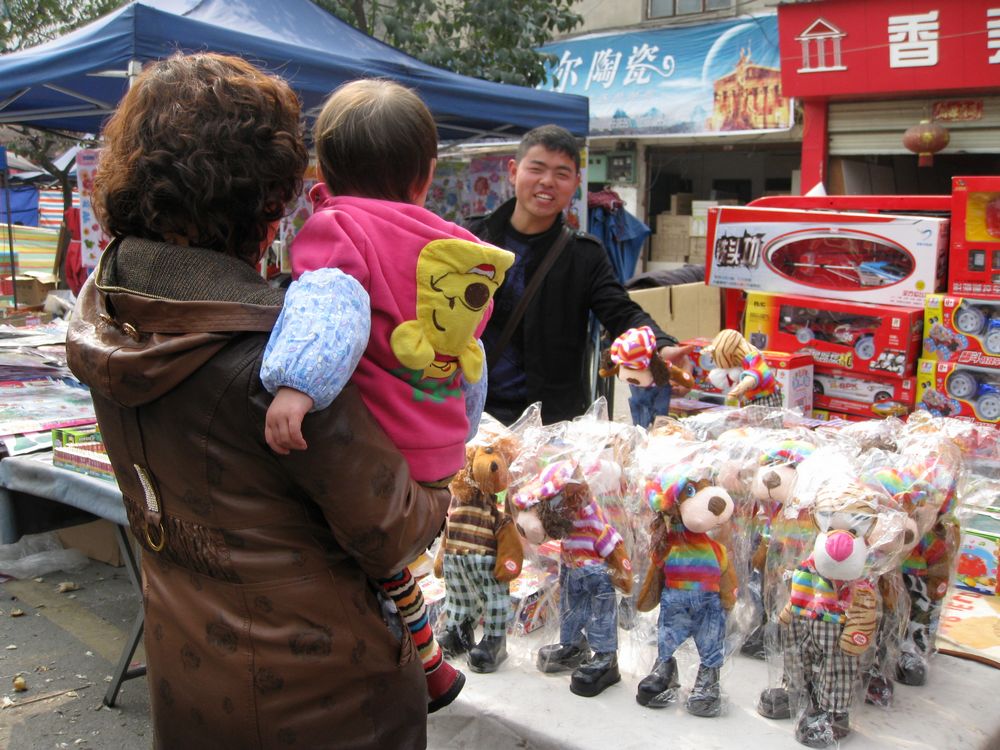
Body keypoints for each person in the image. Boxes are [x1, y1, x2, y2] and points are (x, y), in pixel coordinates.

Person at [66, 53, 450, 750]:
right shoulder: (281, 366)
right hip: (326, 699)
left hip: (189, 670)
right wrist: (443, 472)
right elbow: (395, 528)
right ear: (266, 199)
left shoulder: (108, 309)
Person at [261, 80, 513, 700]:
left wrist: (297, 384)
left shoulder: (339, 226)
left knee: (349, 559)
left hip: (373, 449)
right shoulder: (460, 251)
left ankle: (407, 662)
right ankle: (429, 664)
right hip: (439, 452)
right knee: (392, 565)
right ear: (426, 176)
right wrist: (462, 430)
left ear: (325, 170)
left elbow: (331, 304)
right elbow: (467, 351)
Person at [464, 124, 692, 426]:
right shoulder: (469, 238)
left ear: (576, 183)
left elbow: (621, 312)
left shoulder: (584, 255)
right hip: (469, 416)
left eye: (561, 174)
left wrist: (661, 345)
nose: (547, 181)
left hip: (549, 425)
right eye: (537, 169)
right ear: (513, 171)